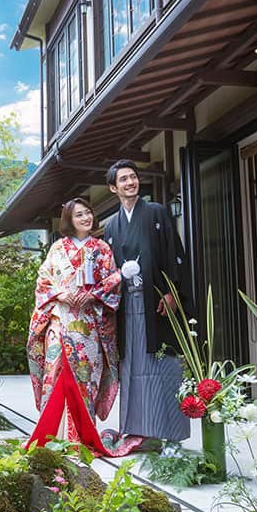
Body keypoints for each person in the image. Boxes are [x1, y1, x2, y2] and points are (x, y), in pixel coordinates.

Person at [25, 198, 144, 456]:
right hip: (60, 319)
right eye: (79, 215)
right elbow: (43, 281)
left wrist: (94, 295)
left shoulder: (101, 248)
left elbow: (114, 280)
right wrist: (60, 294)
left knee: (86, 376)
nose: (85, 218)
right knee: (56, 370)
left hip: (89, 322)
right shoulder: (58, 248)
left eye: (88, 213)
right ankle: (53, 436)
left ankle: (80, 435)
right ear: (70, 219)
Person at [103, 159, 191, 444]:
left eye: (133, 177)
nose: (131, 183)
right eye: (124, 180)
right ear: (113, 188)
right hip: (128, 307)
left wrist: (171, 292)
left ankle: (168, 432)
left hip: (157, 303)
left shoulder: (156, 212)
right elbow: (107, 271)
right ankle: (138, 429)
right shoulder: (112, 226)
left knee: (161, 365)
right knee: (133, 367)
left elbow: (172, 253)